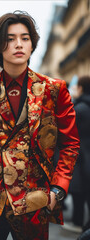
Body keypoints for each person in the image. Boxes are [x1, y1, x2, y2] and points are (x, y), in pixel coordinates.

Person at [0, 11, 80, 240]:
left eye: (25, 38)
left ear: (32, 44)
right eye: (10, 38)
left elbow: (71, 144)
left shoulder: (53, 90)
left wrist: (58, 189)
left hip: (34, 202)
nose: (19, 44)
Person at [63, 76, 90, 234]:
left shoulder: (78, 109)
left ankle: (79, 222)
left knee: (80, 190)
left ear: (80, 88)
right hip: (87, 155)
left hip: (80, 156)